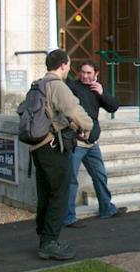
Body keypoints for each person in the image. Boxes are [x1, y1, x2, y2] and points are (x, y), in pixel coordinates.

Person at [31, 49, 93, 260]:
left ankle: (44, 236)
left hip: (37, 146)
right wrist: (89, 126)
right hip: (52, 146)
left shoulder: (38, 84)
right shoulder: (57, 85)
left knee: (46, 192)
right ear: (64, 65)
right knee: (59, 193)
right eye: (68, 65)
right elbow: (73, 109)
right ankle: (50, 242)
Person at [63, 60, 126, 229]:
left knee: (100, 176)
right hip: (76, 142)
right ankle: (68, 217)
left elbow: (113, 107)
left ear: (96, 74)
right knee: (71, 180)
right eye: (83, 72)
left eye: (89, 73)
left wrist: (102, 93)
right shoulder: (72, 87)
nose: (85, 75)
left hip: (92, 143)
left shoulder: (96, 89)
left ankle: (107, 209)